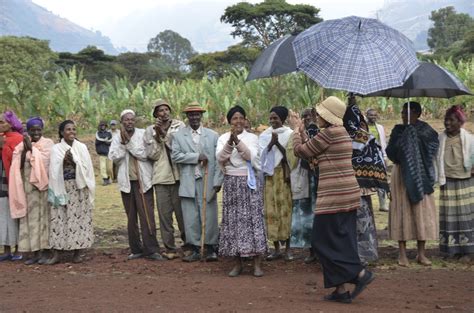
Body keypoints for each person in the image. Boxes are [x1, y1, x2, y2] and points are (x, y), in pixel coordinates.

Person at [289, 96, 374, 303]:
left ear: (327, 115)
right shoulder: (340, 132)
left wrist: (295, 131)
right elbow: (314, 151)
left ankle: (359, 274)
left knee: (321, 241)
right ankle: (341, 290)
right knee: (341, 240)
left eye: (319, 113)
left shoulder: (329, 134)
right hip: (347, 194)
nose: (316, 116)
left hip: (334, 196)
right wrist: (303, 132)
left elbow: (301, 151)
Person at [386, 101, 439, 267]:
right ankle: (402, 255)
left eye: (405, 112)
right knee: (401, 210)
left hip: (421, 175)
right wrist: (405, 138)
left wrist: (414, 137)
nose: (402, 115)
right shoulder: (398, 130)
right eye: (401, 112)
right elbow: (392, 153)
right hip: (401, 174)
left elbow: (433, 147)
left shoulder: (426, 131)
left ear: (416, 113)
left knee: (421, 212)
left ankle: (421, 254)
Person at [217, 105, 267, 277]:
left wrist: (237, 141)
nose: (238, 121)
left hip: (248, 183)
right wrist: (230, 142)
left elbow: (251, 156)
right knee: (234, 222)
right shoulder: (223, 138)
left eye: (241, 118)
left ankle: (257, 264)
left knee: (253, 220)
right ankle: (237, 263)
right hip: (231, 182)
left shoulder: (252, 138)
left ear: (245, 120)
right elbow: (221, 158)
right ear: (229, 121)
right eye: (234, 118)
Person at [171, 103, 223, 262]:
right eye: (191, 114)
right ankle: (194, 248)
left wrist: (218, 181)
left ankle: (210, 247)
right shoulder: (178, 136)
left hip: (208, 180)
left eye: (197, 114)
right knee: (190, 215)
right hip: (188, 180)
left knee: (209, 213)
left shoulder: (213, 135)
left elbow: (218, 160)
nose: (194, 117)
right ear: (187, 117)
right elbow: (175, 156)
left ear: (201, 115)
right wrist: (195, 157)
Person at [109, 110, 164, 261]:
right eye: (126, 120)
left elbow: (144, 154)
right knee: (131, 217)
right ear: (122, 122)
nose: (129, 122)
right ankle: (136, 249)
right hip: (126, 183)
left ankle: (151, 249)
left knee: (147, 215)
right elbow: (114, 157)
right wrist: (123, 143)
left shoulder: (142, 134)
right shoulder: (116, 136)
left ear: (135, 121)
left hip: (143, 181)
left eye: (132, 119)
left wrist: (129, 144)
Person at [343, 95, 388, 265]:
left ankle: (358, 255)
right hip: (362, 187)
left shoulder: (349, 136)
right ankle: (365, 254)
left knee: (356, 221)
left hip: (351, 186)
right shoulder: (365, 136)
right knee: (363, 219)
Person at [47, 120, 95, 264]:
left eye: (74, 129)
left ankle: (78, 252)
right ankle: (57, 253)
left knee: (78, 219)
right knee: (59, 218)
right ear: (62, 132)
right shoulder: (56, 149)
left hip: (79, 188)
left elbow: (87, 169)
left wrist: (74, 162)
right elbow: (53, 170)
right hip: (62, 188)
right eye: (68, 129)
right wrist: (63, 162)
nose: (72, 132)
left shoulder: (81, 148)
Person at [144, 99, 186, 260]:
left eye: (166, 109)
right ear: (155, 114)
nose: (164, 113)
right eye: (160, 110)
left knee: (182, 214)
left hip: (179, 177)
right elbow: (151, 155)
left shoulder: (179, 126)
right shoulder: (149, 130)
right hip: (161, 178)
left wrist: (165, 136)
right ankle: (170, 247)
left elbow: (180, 148)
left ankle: (187, 244)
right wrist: (156, 137)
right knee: (164, 216)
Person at [9, 117, 54, 265]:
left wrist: (32, 150)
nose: (36, 132)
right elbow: (18, 166)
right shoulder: (21, 146)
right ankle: (34, 253)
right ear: (27, 131)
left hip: (44, 187)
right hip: (28, 189)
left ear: (42, 130)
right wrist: (26, 150)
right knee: (30, 220)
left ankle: (46, 251)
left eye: (38, 129)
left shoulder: (48, 144)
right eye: (32, 130)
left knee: (44, 219)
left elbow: (47, 163)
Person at [436, 105, 474, 261]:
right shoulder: (440, 139)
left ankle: (468, 251)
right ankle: (453, 250)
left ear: (460, 122)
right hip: (447, 181)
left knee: (466, 216)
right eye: (446, 120)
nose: (447, 123)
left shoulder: (470, 139)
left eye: (451, 120)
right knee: (450, 217)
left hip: (465, 181)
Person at [258, 106, 293, 261]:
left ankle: (288, 249)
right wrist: (270, 143)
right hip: (269, 176)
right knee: (271, 211)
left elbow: (291, 156)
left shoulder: (290, 134)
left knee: (285, 210)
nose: (272, 121)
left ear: (283, 119)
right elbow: (261, 156)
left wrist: (277, 143)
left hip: (283, 175)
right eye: (271, 118)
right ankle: (276, 248)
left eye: (276, 118)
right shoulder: (264, 135)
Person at [287, 108, 319, 264]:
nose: (306, 119)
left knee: (312, 214)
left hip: (315, 179)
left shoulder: (316, 131)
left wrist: (298, 132)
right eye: (304, 116)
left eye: (308, 116)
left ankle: (316, 251)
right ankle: (312, 251)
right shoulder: (305, 131)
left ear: (314, 116)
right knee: (307, 215)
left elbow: (303, 151)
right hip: (305, 178)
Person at [0, 111, 24, 262]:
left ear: (11, 123)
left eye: (2, 122)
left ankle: (18, 248)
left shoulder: (18, 139)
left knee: (15, 214)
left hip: (14, 181)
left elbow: (20, 161)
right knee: (3, 214)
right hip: (1, 181)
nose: (0, 125)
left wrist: (4, 148)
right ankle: (6, 248)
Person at [366, 108, 389, 212]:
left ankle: (383, 204)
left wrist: (385, 157)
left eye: (375, 115)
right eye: (371, 115)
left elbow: (383, 143)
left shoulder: (380, 127)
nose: (373, 117)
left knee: (381, 179)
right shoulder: (363, 127)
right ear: (366, 115)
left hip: (378, 156)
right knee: (366, 181)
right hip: (366, 156)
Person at [95, 120, 113, 186]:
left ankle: (108, 178)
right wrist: (104, 140)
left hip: (109, 153)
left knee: (109, 168)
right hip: (102, 153)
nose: (103, 126)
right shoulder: (98, 133)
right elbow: (97, 142)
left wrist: (106, 141)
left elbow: (111, 142)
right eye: (101, 125)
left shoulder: (109, 133)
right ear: (100, 126)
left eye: (104, 125)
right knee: (103, 168)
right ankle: (105, 180)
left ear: (106, 126)